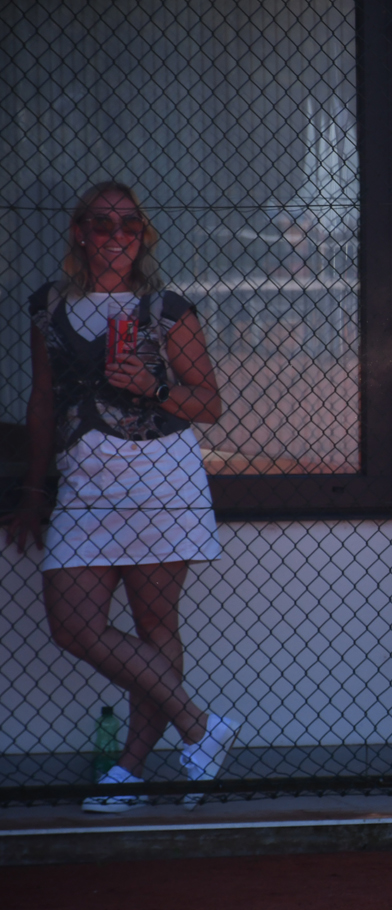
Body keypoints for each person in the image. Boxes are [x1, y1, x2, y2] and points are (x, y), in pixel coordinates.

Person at [4, 181, 240, 812]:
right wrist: (33, 490)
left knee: (155, 625)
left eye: (129, 225)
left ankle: (129, 773)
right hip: (83, 486)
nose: (116, 236)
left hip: (161, 479)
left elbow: (209, 403)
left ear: (143, 236)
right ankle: (199, 726)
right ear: (80, 232)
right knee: (73, 625)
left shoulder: (165, 309)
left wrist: (152, 387)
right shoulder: (48, 305)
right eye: (103, 224)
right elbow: (42, 400)